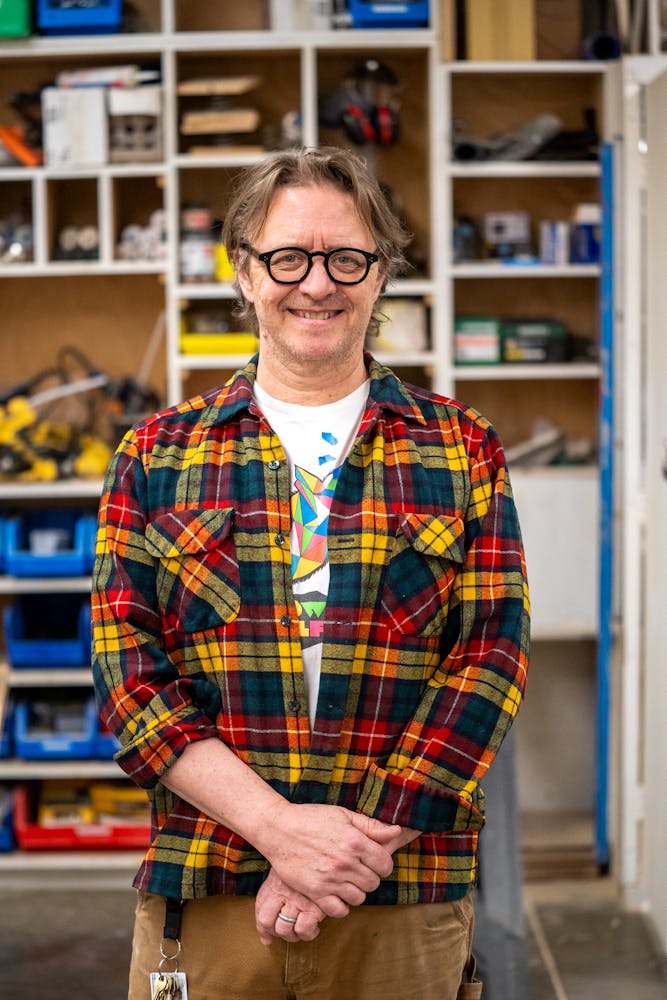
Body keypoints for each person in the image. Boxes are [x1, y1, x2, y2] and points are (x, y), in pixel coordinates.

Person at [91, 146, 530, 1000]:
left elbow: (488, 661)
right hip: (209, 889)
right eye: (287, 257)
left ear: (380, 273)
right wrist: (282, 834)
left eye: (346, 258)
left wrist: (344, 851)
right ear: (245, 271)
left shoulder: (459, 446)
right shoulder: (156, 454)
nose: (317, 285)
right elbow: (130, 682)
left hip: (397, 893)